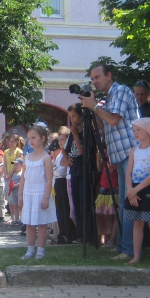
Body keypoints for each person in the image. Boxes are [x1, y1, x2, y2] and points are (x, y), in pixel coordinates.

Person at [80, 63, 141, 260]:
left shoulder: (121, 90)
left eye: (97, 77)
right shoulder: (109, 97)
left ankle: (129, 249)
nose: (94, 82)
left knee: (128, 203)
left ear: (109, 76)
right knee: (123, 203)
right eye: (92, 79)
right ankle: (124, 246)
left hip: (131, 154)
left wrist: (94, 106)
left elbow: (114, 120)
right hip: (121, 156)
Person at [124, 118, 150, 266]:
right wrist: (130, 190)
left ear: (148, 131)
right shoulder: (133, 151)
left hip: (148, 189)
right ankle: (136, 256)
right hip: (134, 189)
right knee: (137, 223)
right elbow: (128, 172)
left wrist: (135, 190)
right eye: (134, 130)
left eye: (138, 130)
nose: (135, 133)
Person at [19, 126, 57, 260]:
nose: (31, 141)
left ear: (42, 138)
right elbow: (23, 177)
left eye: (33, 138)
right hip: (29, 193)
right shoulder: (27, 157)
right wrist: (20, 194)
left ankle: (41, 249)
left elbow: (48, 180)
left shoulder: (46, 158)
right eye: (29, 138)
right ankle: (30, 249)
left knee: (41, 223)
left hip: (40, 193)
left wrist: (46, 197)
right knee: (29, 223)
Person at [64, 103, 97, 244]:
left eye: (74, 116)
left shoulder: (87, 130)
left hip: (85, 170)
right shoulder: (73, 131)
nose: (72, 119)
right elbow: (65, 150)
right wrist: (67, 159)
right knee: (76, 204)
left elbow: (83, 151)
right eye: (70, 116)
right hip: (74, 170)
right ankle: (80, 234)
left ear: (81, 115)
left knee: (85, 203)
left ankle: (89, 235)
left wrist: (76, 135)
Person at [53, 126, 75, 244]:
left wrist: (56, 169)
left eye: (63, 140)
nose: (60, 142)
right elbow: (55, 168)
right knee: (60, 210)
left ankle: (68, 234)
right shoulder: (60, 154)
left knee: (66, 209)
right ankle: (62, 233)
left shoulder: (68, 153)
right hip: (58, 182)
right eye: (59, 140)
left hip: (63, 181)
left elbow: (60, 170)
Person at [95, 146, 119, 247]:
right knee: (106, 214)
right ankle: (111, 238)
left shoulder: (117, 152)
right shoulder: (104, 152)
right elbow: (99, 168)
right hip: (104, 185)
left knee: (115, 214)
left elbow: (115, 168)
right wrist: (98, 157)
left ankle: (114, 239)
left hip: (114, 186)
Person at [6, 158, 24, 225]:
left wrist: (15, 185)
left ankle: (22, 219)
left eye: (17, 164)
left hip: (20, 191)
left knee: (20, 206)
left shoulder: (22, 173)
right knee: (15, 206)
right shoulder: (14, 174)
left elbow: (22, 182)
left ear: (22, 165)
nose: (16, 166)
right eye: (15, 165)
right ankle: (16, 219)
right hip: (14, 192)